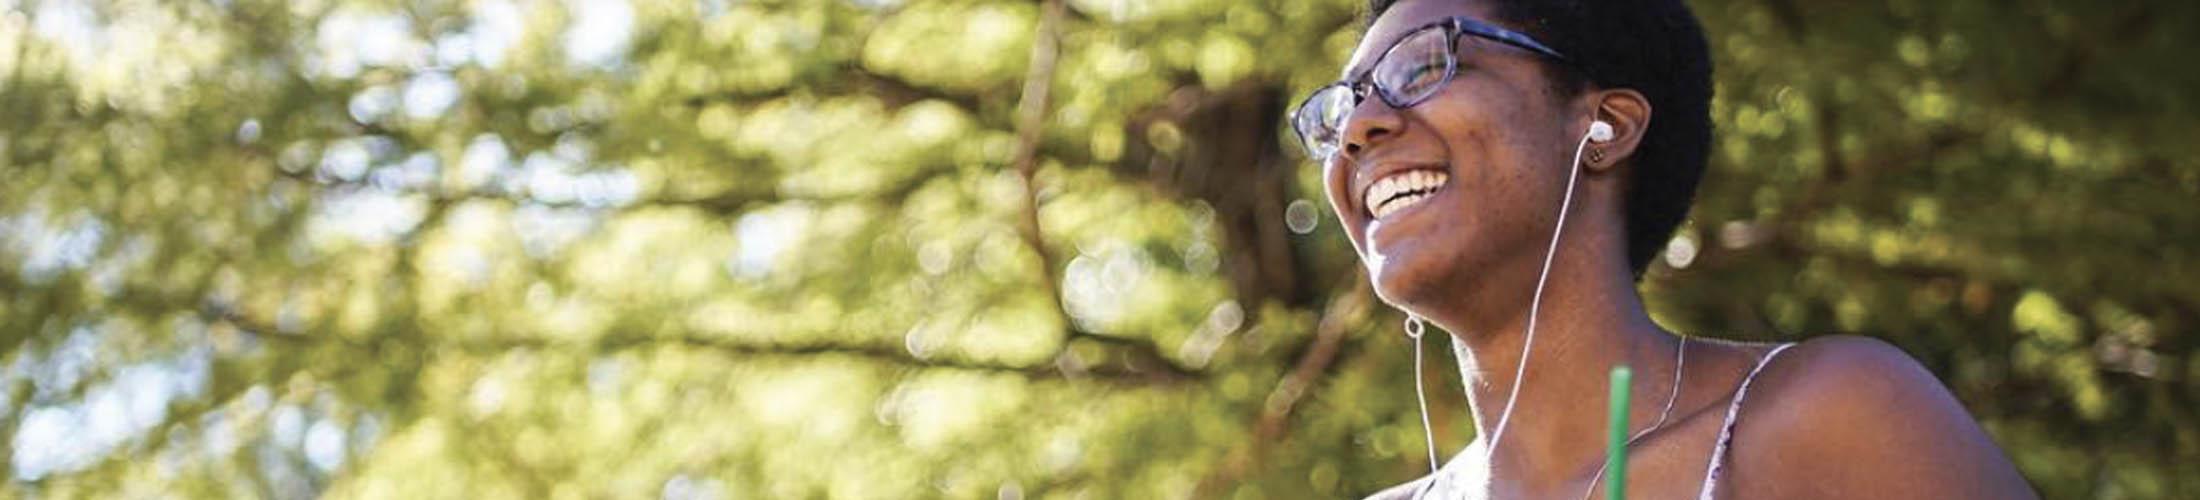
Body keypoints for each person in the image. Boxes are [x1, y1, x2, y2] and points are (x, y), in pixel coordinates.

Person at [1288, 0, 2039, 498]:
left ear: (1605, 125)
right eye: (1338, 109)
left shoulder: (1829, 416)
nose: (1358, 129)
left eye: (1422, 66)